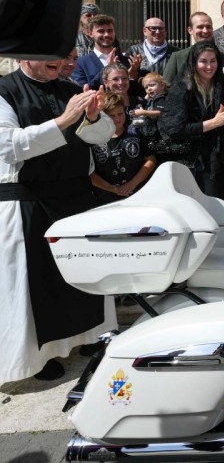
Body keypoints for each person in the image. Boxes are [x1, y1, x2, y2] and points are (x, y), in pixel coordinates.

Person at [0, 58, 116, 383]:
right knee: (35, 284)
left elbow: (105, 133)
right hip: (30, 201)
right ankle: (38, 358)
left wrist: (92, 117)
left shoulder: (70, 89)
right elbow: (7, 145)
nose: (59, 60)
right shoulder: (5, 91)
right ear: (24, 56)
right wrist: (64, 120)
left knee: (84, 275)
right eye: (47, 54)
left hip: (76, 198)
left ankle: (89, 336)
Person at [158, 41, 224, 203]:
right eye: (203, 61)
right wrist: (214, 123)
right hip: (191, 164)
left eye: (213, 61)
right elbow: (175, 129)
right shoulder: (181, 88)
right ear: (194, 63)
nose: (209, 66)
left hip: (220, 163)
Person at [90, 93, 157, 204]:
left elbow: (150, 160)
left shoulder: (136, 132)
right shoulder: (92, 139)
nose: (117, 119)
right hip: (107, 198)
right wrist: (113, 189)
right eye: (112, 116)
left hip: (138, 193)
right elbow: (89, 172)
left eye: (120, 114)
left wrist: (132, 184)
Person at [163, 11, 224, 87]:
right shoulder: (177, 58)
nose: (205, 31)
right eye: (200, 27)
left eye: (208, 27)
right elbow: (165, 88)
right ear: (190, 30)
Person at [71, 14, 140, 90]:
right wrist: (107, 69)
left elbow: (136, 91)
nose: (106, 34)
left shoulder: (127, 61)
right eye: (101, 31)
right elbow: (81, 90)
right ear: (90, 33)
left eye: (110, 31)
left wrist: (133, 76)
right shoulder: (80, 63)